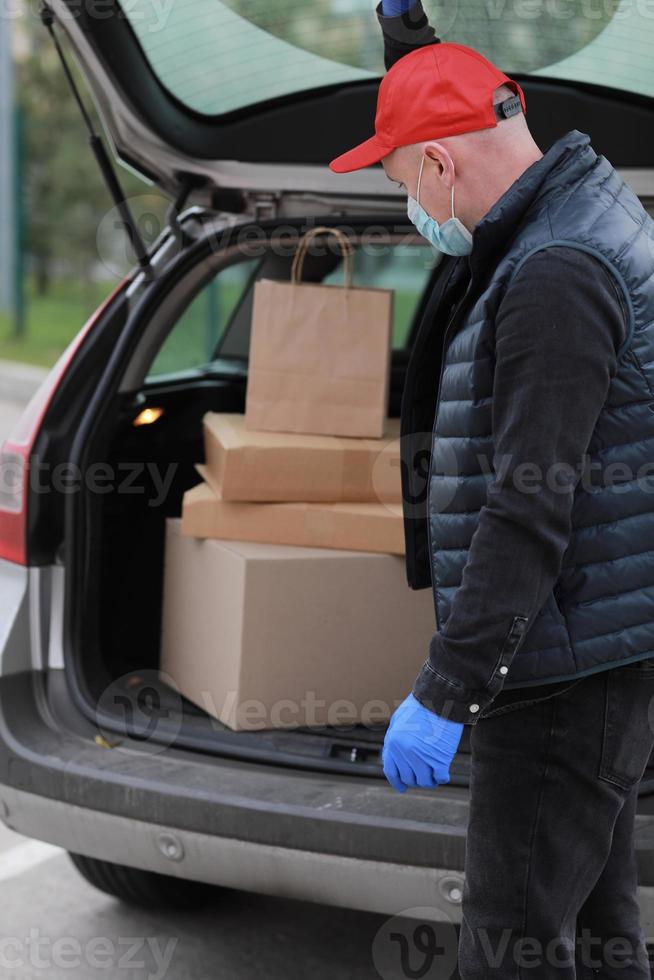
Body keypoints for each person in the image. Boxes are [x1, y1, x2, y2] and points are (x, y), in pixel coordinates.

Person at [329, 2, 654, 978]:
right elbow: (448, 100)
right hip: (593, 645)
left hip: (559, 675)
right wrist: (405, 31)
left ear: (438, 165)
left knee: (507, 944)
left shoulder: (555, 270)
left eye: (400, 183)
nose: (412, 213)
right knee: (593, 931)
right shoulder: (566, 203)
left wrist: (446, 687)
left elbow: (528, 506)